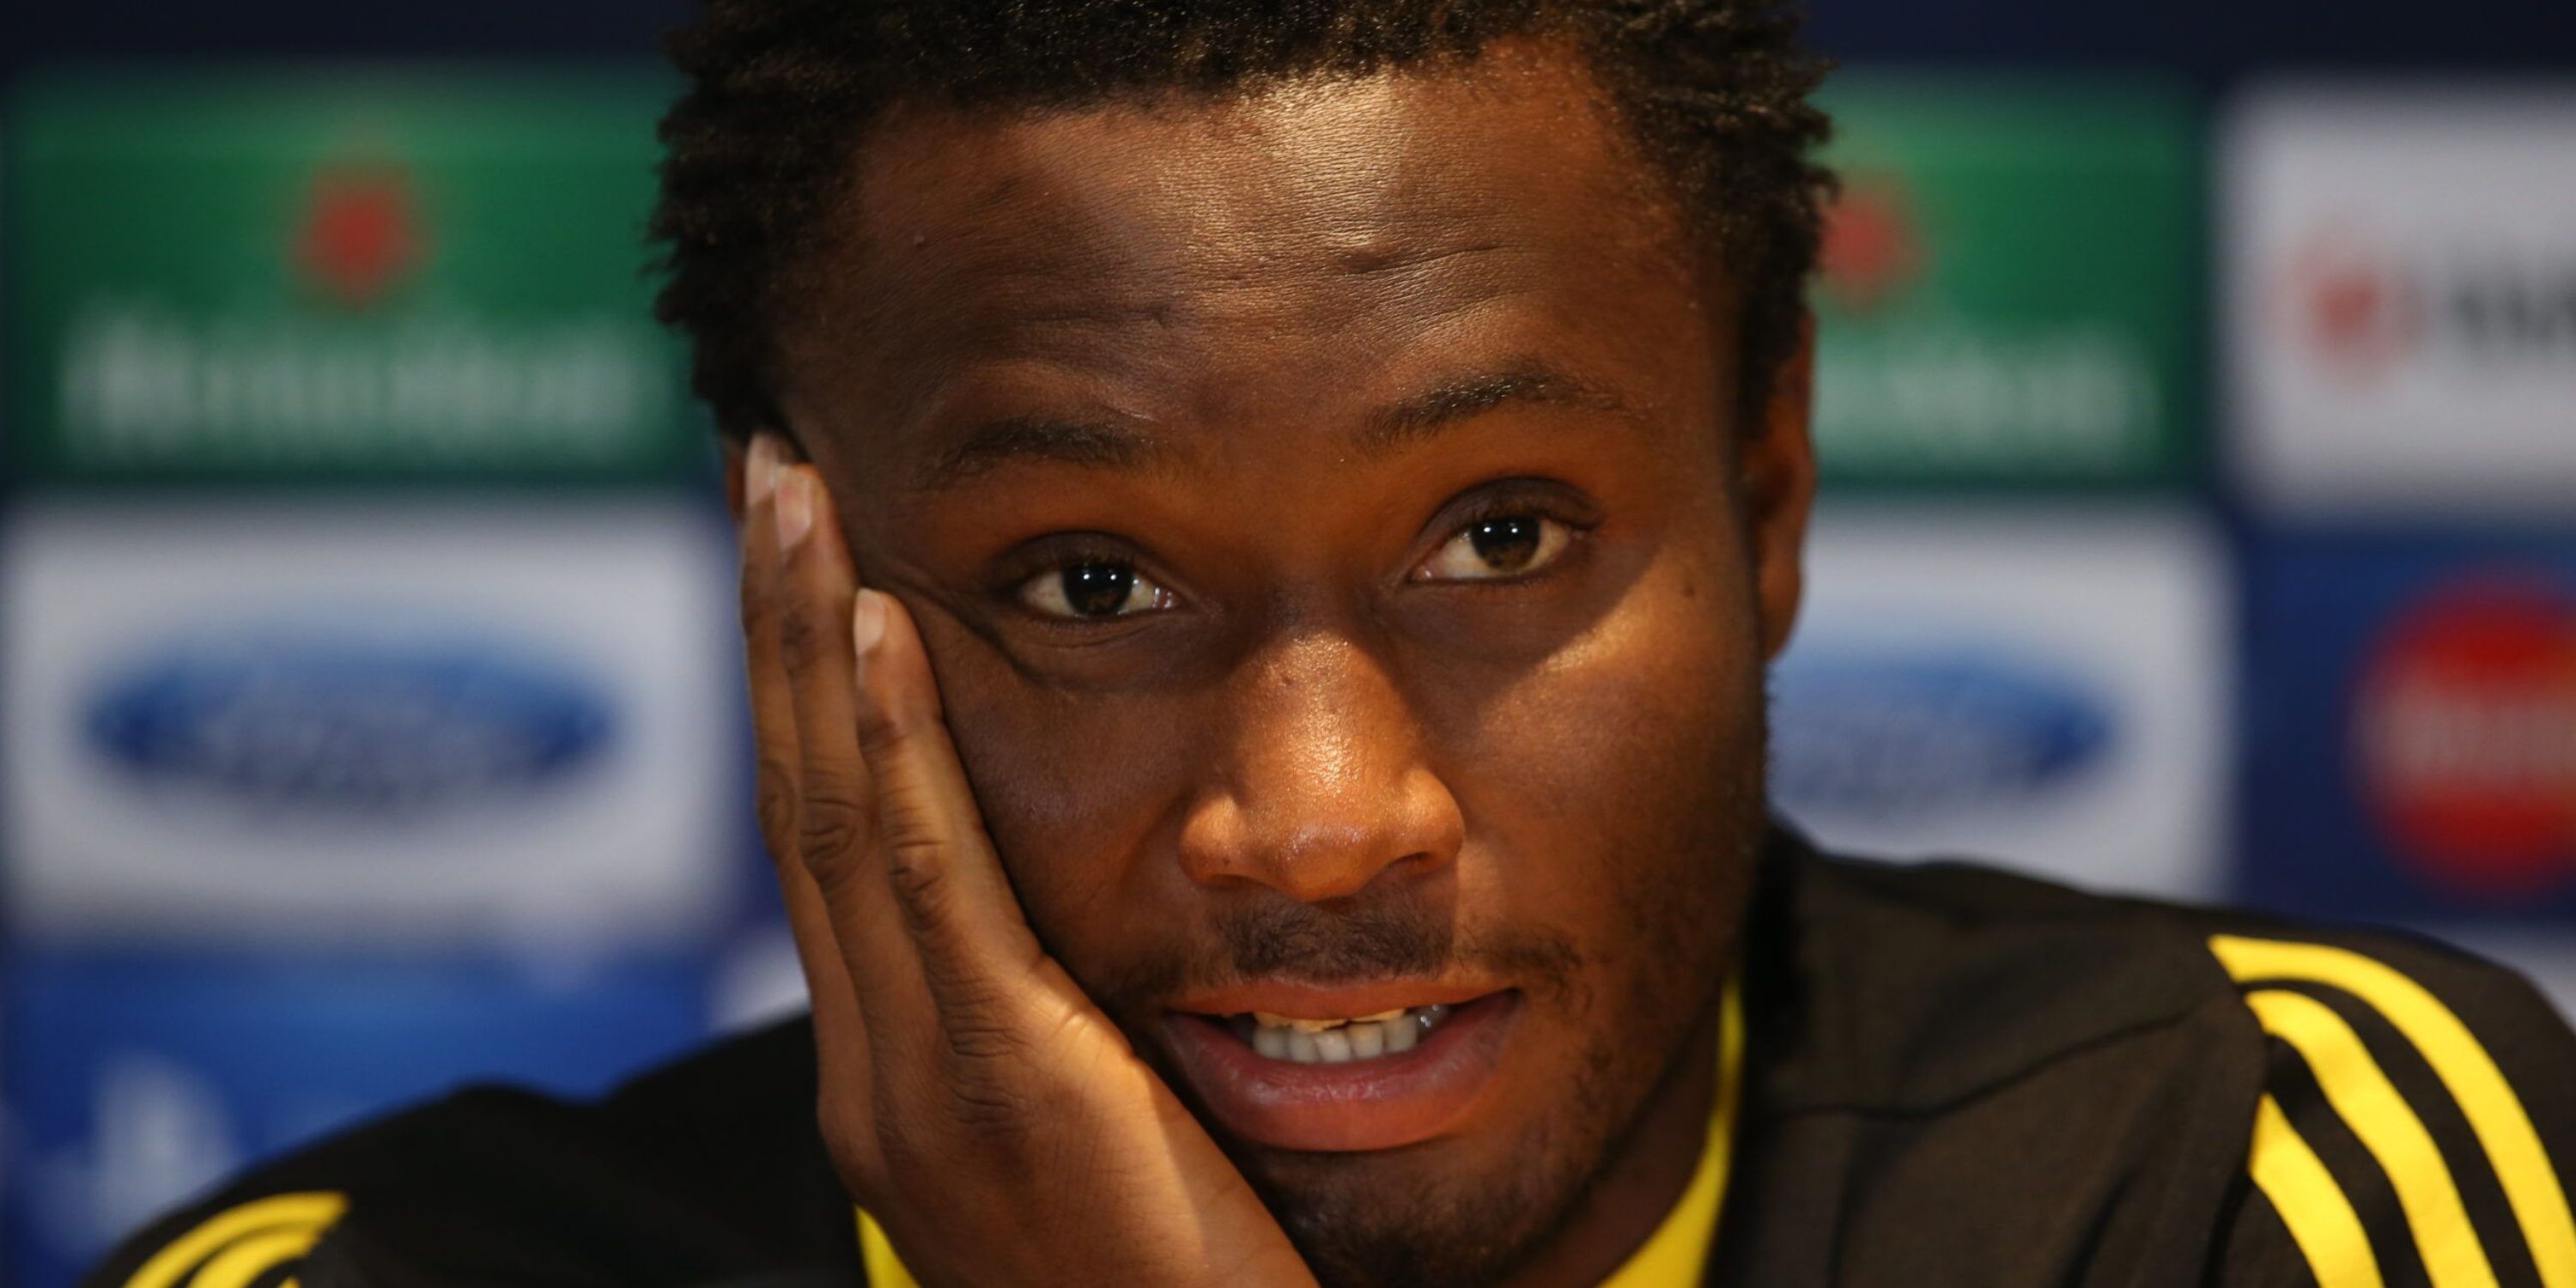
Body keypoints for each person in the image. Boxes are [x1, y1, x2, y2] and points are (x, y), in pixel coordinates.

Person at [84, 1, 2576, 1285]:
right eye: (1091, 586)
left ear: (1769, 494)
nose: (1320, 819)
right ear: (797, 592)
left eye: (1498, 537)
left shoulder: (2253, 1183)